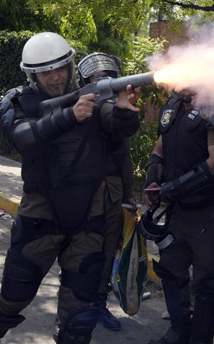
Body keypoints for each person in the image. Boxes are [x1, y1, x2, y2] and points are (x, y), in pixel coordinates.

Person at [0, 32, 140, 344]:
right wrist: (70, 115)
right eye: (46, 71)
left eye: (61, 68)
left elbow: (117, 127)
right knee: (13, 298)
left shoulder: (92, 97)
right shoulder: (18, 101)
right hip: (41, 214)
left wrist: (122, 111)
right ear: (32, 75)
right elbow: (24, 139)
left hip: (89, 217)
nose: (55, 77)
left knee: (80, 318)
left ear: (70, 66)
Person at [143, 90, 214, 344]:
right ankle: (178, 332)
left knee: (209, 282)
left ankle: (200, 339)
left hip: (209, 213)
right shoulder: (172, 108)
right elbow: (159, 149)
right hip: (177, 213)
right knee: (170, 270)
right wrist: (153, 181)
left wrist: (172, 188)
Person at [75, 52, 137, 332]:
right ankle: (75, 301)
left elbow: (124, 156)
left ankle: (98, 302)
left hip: (111, 191)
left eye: (109, 77)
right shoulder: (77, 108)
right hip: (81, 191)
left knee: (107, 249)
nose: (104, 81)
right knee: (79, 250)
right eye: (97, 78)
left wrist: (128, 193)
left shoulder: (115, 110)